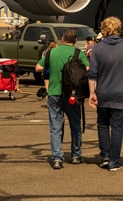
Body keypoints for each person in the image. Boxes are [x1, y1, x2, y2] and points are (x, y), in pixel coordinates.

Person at [88, 16, 123, 172]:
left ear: (104, 29)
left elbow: (92, 74)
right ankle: (114, 162)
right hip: (122, 92)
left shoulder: (97, 48)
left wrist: (92, 93)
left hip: (103, 91)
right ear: (118, 28)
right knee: (117, 128)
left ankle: (105, 156)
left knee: (103, 125)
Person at [36, 28, 88, 169]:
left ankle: (57, 158)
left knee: (55, 127)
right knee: (75, 125)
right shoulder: (78, 53)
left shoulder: (52, 52)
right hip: (73, 94)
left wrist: (52, 68)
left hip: (54, 92)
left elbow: (38, 67)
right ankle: (76, 155)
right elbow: (88, 69)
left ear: (62, 39)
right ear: (75, 40)